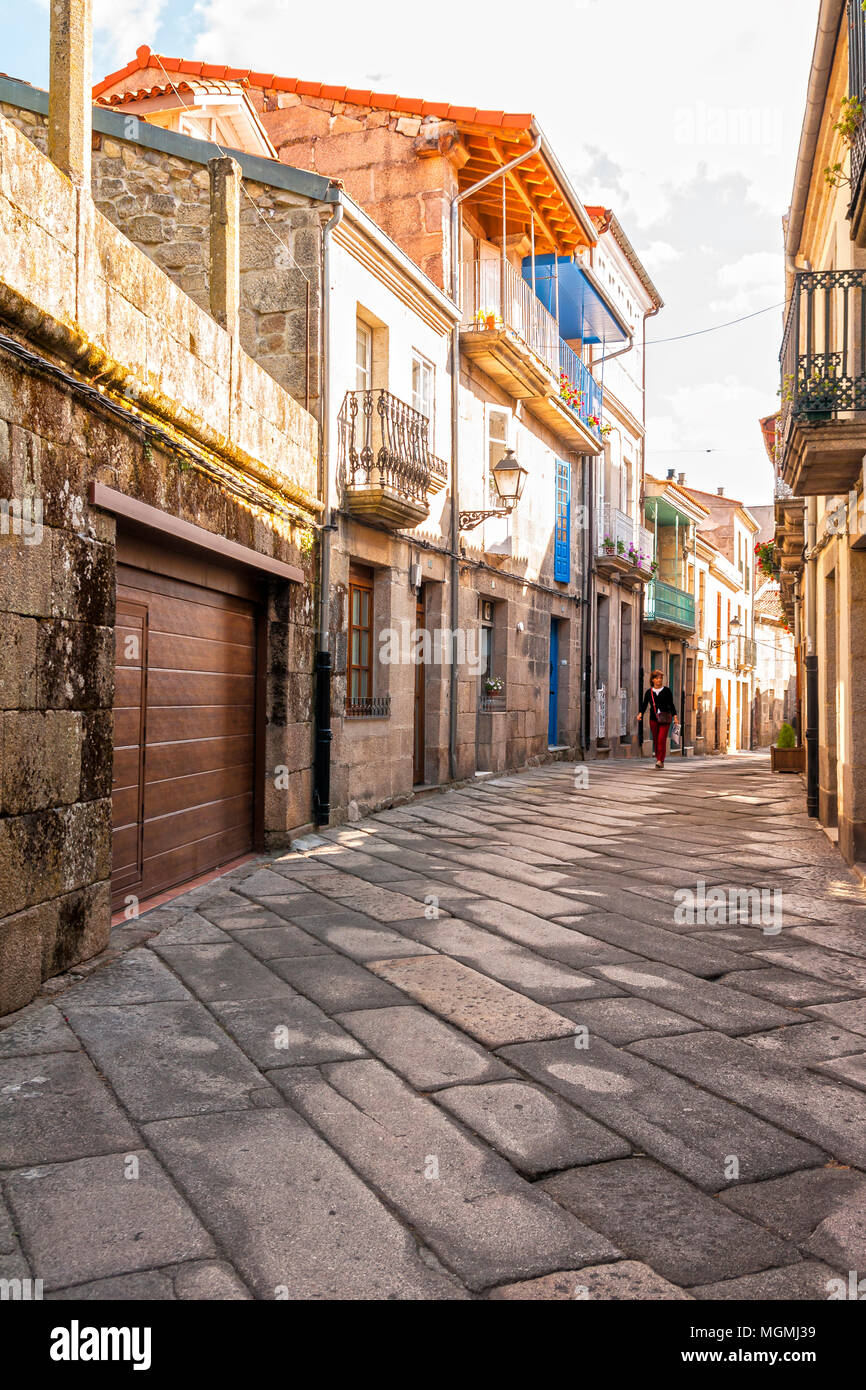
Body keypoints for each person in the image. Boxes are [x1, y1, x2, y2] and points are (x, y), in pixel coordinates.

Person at [638, 669, 680, 769]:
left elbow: (671, 704)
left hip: (665, 719)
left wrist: (675, 717)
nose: (659, 680)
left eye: (661, 678)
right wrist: (640, 714)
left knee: (661, 739)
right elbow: (644, 705)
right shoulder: (649, 692)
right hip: (653, 719)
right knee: (656, 740)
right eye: (657, 678)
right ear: (652, 680)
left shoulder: (667, 691)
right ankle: (658, 758)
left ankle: (660, 760)